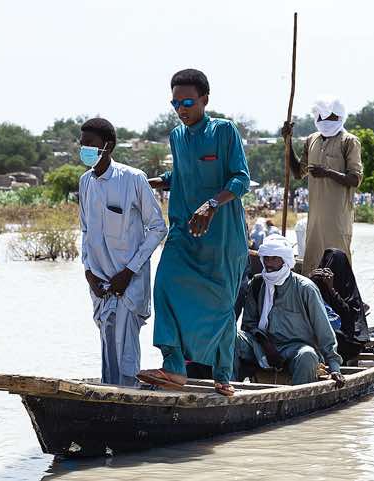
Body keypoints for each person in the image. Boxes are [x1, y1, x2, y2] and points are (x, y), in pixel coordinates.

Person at [138, 69, 250, 397]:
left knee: (221, 306)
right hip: (184, 232)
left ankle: (223, 374)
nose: (181, 109)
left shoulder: (224, 131)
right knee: (164, 287)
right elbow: (182, 174)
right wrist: (152, 181)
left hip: (223, 238)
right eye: (175, 103)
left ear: (205, 100)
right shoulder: (177, 137)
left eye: (187, 102)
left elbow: (240, 178)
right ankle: (173, 367)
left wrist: (212, 204)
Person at [78, 117, 168, 386]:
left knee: (126, 350)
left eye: (90, 144)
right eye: (82, 145)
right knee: (107, 349)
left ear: (108, 146)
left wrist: (129, 272)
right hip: (100, 283)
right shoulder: (85, 182)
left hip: (129, 282)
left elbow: (157, 228)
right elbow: (85, 232)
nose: (85, 150)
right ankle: (110, 399)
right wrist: (88, 273)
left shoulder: (132, 179)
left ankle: (128, 401)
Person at [235, 235, 345, 387]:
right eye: (266, 258)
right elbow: (248, 324)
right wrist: (266, 344)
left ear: (285, 260)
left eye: (275, 259)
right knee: (230, 337)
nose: (269, 263)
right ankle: (230, 388)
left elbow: (323, 330)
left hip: (295, 348)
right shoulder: (257, 283)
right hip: (261, 345)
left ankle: (300, 403)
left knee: (308, 355)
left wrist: (334, 366)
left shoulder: (305, 288)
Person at [282, 96, 363, 275]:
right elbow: (298, 172)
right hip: (315, 219)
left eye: (331, 117)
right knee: (313, 264)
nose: (325, 121)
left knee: (338, 264)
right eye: (322, 117)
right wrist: (287, 141)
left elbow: (355, 179)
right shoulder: (312, 139)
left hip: (338, 219)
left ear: (340, 117)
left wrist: (328, 172)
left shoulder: (349, 141)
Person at [309, 248, 370, 363]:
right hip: (321, 334)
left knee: (332, 335)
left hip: (348, 338)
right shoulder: (316, 283)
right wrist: (309, 281)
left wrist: (331, 289)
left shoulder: (348, 288)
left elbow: (349, 317)